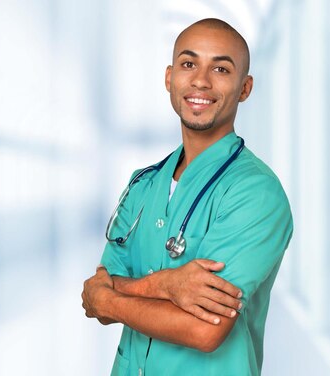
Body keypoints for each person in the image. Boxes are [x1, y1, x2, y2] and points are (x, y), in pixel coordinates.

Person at [81, 18, 293, 376]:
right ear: (169, 77)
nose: (201, 80)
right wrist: (166, 285)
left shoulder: (255, 193)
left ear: (245, 88)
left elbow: (205, 329)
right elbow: (96, 299)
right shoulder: (143, 184)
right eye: (189, 63)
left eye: (221, 68)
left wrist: (112, 296)